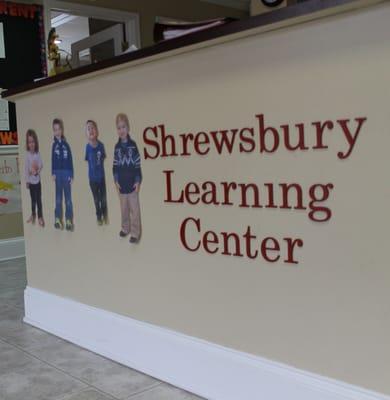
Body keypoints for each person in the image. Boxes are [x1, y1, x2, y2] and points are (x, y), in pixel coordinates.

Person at [113, 113, 142, 243]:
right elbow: (115, 166)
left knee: (134, 210)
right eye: (119, 128)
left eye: (123, 127)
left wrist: (137, 180)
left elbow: (137, 165)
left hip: (132, 185)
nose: (121, 130)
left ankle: (135, 233)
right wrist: (116, 180)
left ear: (128, 128)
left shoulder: (133, 145)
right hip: (122, 186)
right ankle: (125, 228)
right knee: (124, 209)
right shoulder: (117, 148)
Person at [51, 118, 74, 231]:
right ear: (53, 131)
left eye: (59, 129)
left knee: (68, 199)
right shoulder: (54, 145)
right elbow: (53, 160)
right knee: (58, 198)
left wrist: (71, 174)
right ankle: (57, 219)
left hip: (66, 174)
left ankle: (69, 220)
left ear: (62, 130)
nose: (57, 131)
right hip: (58, 175)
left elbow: (70, 159)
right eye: (55, 130)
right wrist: (53, 173)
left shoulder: (66, 145)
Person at [85, 120, 108, 225]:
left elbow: (102, 158)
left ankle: (105, 215)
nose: (91, 130)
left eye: (92, 128)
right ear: (86, 134)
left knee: (103, 198)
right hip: (92, 179)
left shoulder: (101, 146)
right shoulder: (87, 147)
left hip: (101, 177)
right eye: (88, 129)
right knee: (96, 199)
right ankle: (98, 216)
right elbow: (88, 161)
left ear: (97, 131)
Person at [25, 129, 44, 227]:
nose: (31, 144)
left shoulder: (37, 154)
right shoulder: (27, 156)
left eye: (32, 142)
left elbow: (41, 165)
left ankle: (40, 216)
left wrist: (36, 170)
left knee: (39, 200)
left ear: (35, 142)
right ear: (27, 144)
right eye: (29, 142)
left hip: (37, 182)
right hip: (31, 183)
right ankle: (33, 214)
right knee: (33, 200)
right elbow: (26, 169)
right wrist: (27, 181)